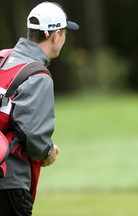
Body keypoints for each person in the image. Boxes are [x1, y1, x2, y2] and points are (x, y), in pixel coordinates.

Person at [0, 2, 79, 215]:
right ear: (55, 35)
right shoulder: (38, 75)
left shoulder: (3, 58)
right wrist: (47, 152)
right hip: (9, 180)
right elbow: (33, 135)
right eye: (64, 33)